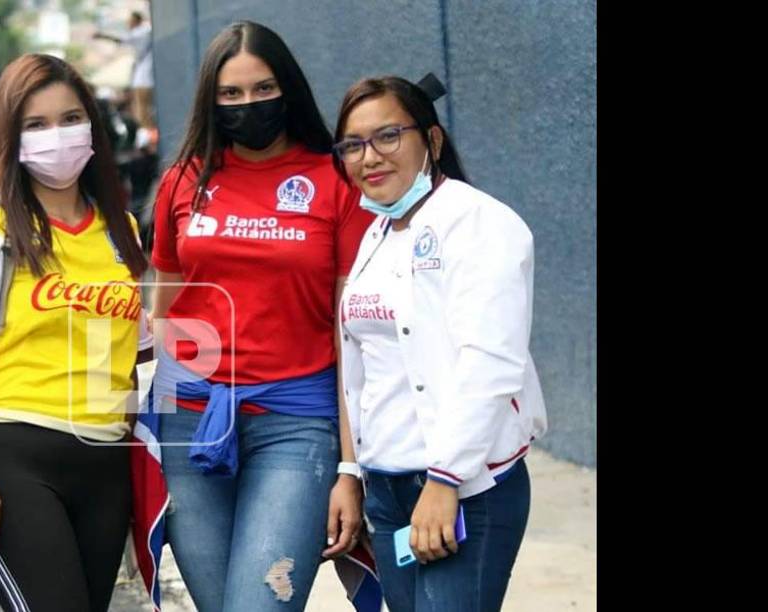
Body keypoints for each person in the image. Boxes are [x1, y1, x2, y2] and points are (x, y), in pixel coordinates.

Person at [136, 20, 374, 612]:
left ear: (289, 89)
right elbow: (157, 303)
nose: (249, 105)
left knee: (261, 603)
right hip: (190, 420)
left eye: (264, 89)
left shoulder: (334, 180)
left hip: (298, 422)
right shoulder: (183, 182)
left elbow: (352, 335)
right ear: (211, 102)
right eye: (232, 94)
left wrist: (351, 466)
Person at [0, 53, 150, 612]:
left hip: (106, 462)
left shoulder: (122, 230)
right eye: (35, 125)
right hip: (17, 453)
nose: (56, 136)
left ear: (93, 127)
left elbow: (128, 354)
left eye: (69, 119)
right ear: (11, 136)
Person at [332, 74, 547, 612]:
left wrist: (445, 480)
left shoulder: (482, 225)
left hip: (463, 489)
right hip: (388, 489)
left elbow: (490, 362)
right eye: (353, 145)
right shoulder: (376, 235)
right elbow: (362, 368)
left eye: (387, 136)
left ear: (431, 141)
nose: (369, 157)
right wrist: (353, 473)